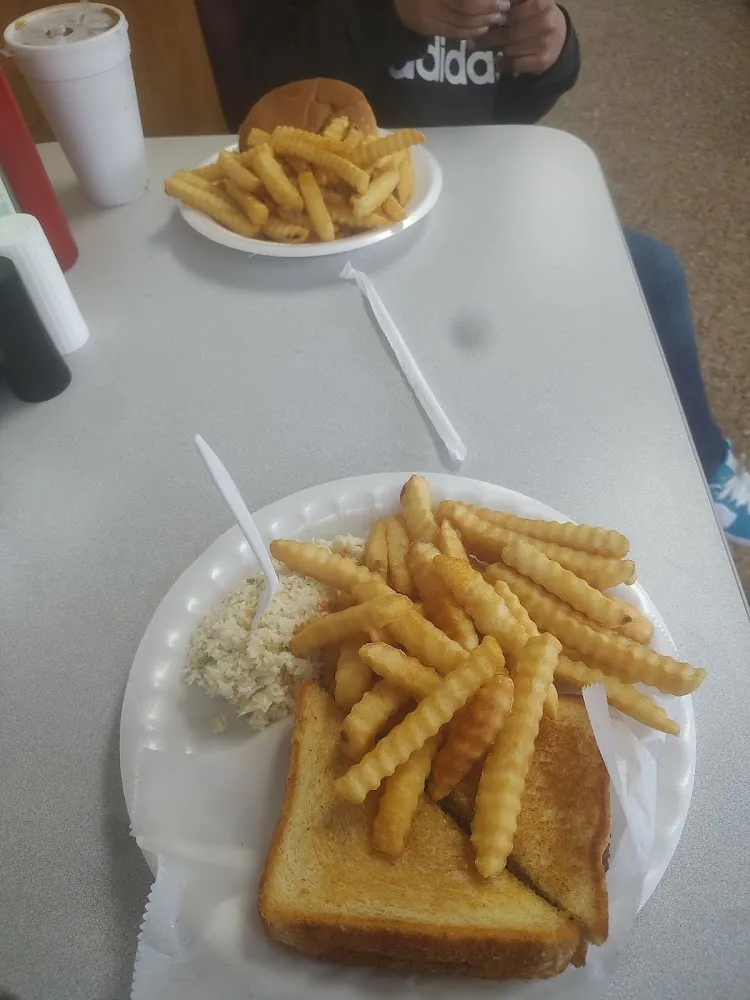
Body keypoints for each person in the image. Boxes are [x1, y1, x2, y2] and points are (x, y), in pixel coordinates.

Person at [240, 0, 750, 546]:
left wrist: (551, 51)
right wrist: (387, 21)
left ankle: (706, 458)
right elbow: (258, 72)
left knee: (654, 272)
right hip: (347, 218)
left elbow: (514, 105)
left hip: (482, 189)